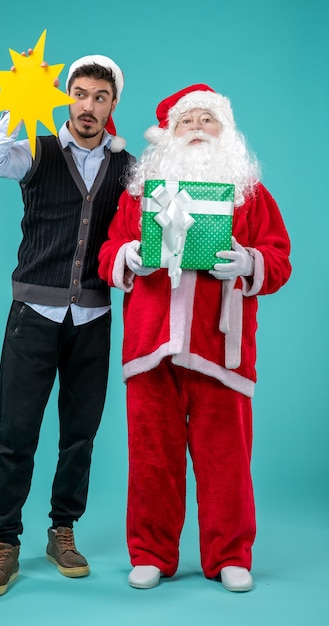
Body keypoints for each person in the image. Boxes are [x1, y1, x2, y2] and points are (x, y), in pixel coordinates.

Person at [98, 84, 291, 592]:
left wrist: (250, 261)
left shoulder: (250, 193)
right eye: (189, 121)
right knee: (151, 457)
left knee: (226, 458)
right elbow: (109, 248)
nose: (199, 129)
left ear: (227, 134)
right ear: (170, 135)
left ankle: (230, 555)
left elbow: (279, 256)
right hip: (151, 343)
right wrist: (126, 257)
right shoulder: (140, 195)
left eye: (209, 120)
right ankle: (151, 553)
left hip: (220, 349)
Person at [0, 53, 134, 597]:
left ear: (113, 106)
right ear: (67, 97)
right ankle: (5, 542)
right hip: (34, 313)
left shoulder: (126, 166)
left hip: (93, 314)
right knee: (15, 432)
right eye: (80, 94)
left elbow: (148, 219)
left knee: (79, 434)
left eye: (100, 98)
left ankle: (62, 531)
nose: (88, 106)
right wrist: (17, 110)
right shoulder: (34, 150)